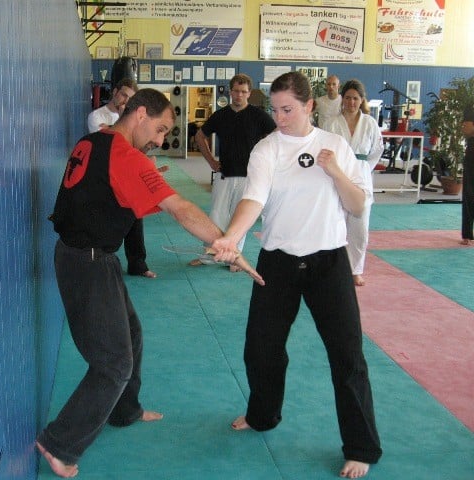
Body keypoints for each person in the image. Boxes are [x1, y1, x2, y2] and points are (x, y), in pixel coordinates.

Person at [37, 88, 262, 478]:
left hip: (91, 256)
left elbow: (101, 190)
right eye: (159, 129)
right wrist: (227, 245)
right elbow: (181, 209)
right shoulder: (125, 155)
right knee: (113, 364)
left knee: (132, 333)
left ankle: (124, 410)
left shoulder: (95, 140)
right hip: (86, 262)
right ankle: (59, 443)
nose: (160, 140)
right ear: (140, 114)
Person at [212, 72, 382, 479]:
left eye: (287, 109)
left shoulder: (334, 145)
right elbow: (254, 199)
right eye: (275, 110)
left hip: (329, 264)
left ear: (309, 106)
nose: (280, 118)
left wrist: (335, 171)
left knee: (347, 356)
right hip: (278, 262)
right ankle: (263, 415)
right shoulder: (266, 149)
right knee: (261, 349)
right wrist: (231, 237)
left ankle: (361, 446)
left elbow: (357, 205)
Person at [190, 73, 276, 272]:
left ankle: (234, 259)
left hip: (249, 176)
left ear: (249, 93)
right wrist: (211, 161)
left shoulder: (258, 115)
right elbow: (200, 136)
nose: (239, 95)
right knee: (216, 216)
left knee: (240, 219)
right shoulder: (221, 115)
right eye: (236, 91)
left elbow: (276, 136)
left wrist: (266, 161)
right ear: (230, 92)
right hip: (224, 173)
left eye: (243, 92)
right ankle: (209, 256)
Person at [87, 78, 156, 278]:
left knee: (136, 217)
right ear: (115, 92)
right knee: (105, 220)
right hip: (104, 176)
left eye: (130, 98)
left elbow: (138, 147)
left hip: (128, 174)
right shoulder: (96, 115)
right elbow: (110, 141)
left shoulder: (133, 120)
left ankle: (138, 265)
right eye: (123, 94)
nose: (126, 100)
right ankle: (98, 263)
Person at [322, 79, 384, 286]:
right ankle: (333, 269)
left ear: (362, 100)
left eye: (355, 98)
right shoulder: (331, 122)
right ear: (342, 99)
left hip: (361, 175)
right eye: (348, 98)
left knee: (360, 227)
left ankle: (356, 270)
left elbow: (377, 150)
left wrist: (364, 168)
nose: (351, 102)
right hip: (337, 173)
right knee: (334, 223)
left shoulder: (370, 123)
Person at [461, 105, 474, 245]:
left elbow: (467, 129)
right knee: (469, 192)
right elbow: (467, 129)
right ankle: (467, 235)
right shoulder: (470, 109)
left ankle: (468, 235)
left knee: (470, 192)